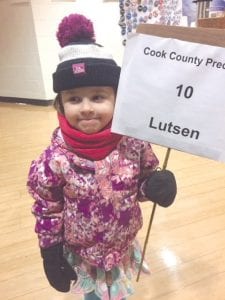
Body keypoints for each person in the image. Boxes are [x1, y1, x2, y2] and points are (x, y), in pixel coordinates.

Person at [27, 13, 177, 300]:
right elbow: (47, 208)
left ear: (117, 98)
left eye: (98, 97)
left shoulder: (133, 144)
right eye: (74, 98)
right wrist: (49, 250)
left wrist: (155, 187)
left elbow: (142, 183)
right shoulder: (53, 161)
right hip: (82, 251)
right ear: (60, 104)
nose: (86, 108)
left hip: (121, 243)